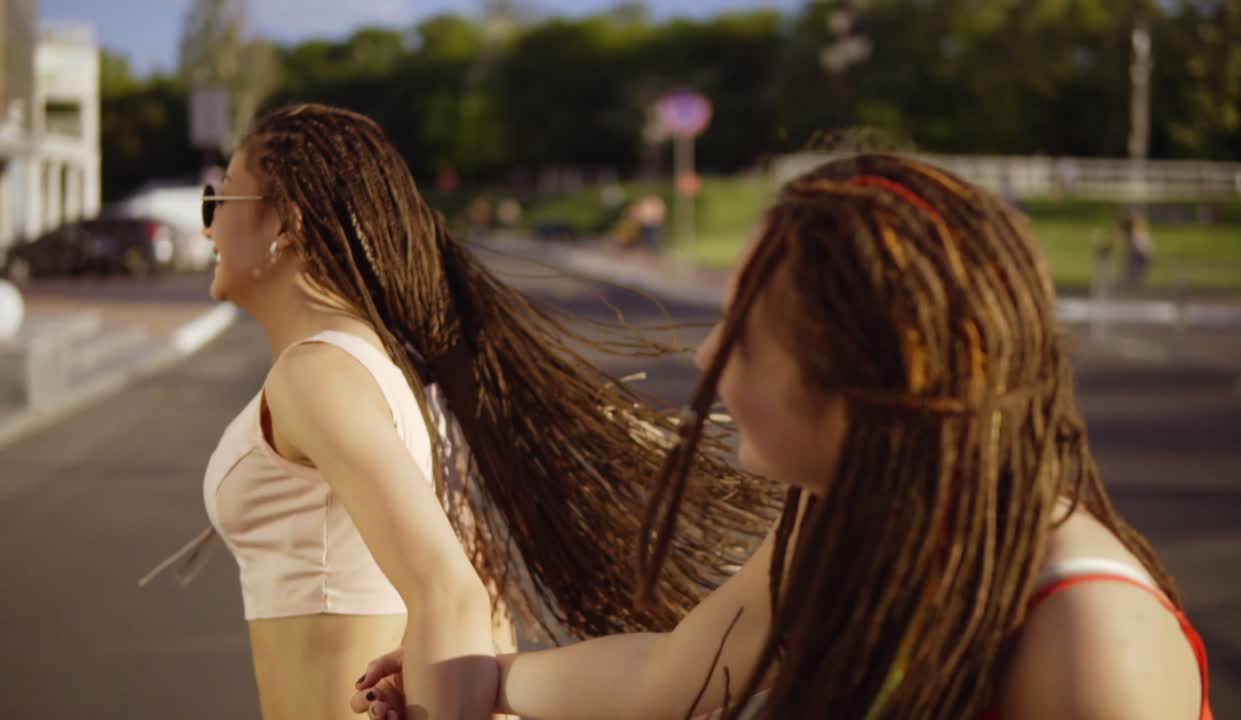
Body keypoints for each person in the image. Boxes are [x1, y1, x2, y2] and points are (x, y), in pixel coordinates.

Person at [355, 154, 1212, 720]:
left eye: (740, 335)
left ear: (852, 381)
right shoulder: (842, 516)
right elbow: (675, 678)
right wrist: (495, 679)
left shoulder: (1092, 642)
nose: (703, 354)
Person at [140, 103, 778, 720]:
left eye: (217, 201)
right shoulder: (390, 371)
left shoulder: (317, 374)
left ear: (287, 223)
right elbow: (479, 594)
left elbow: (449, 593)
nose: (207, 227)